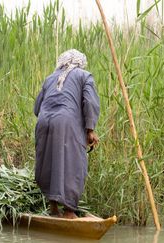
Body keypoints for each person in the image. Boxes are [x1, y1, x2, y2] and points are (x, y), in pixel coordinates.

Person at [33, 49, 100, 219]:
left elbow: (36, 108)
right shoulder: (84, 76)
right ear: (80, 62)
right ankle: (69, 211)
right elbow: (90, 103)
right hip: (66, 123)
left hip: (44, 121)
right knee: (73, 164)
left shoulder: (50, 78)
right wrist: (90, 129)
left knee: (48, 162)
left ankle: (54, 208)